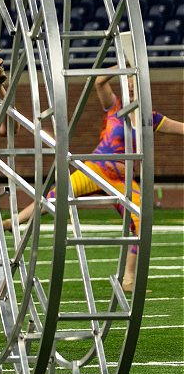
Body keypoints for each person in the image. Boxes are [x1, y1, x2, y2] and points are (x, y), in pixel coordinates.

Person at [10, 71, 182, 290]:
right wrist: (122, 65)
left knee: (141, 222)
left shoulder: (151, 117)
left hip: (122, 179)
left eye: (134, 84)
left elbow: (179, 128)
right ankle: (15, 221)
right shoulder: (114, 107)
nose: (130, 88)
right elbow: (99, 82)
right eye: (127, 83)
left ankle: (128, 279)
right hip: (96, 169)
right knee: (57, 195)